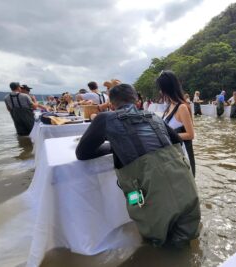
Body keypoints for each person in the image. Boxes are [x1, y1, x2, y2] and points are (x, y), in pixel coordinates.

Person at [76, 83, 200, 247]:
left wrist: (115, 146)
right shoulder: (153, 116)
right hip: (185, 185)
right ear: (136, 100)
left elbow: (82, 153)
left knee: (156, 239)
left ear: (111, 104)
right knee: (185, 239)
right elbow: (176, 141)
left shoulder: (105, 119)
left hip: (149, 191)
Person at [157, 70, 196, 177]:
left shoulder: (182, 107)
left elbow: (191, 134)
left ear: (166, 89)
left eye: (161, 88)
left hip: (183, 158)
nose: (160, 91)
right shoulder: (169, 106)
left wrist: (166, 135)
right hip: (173, 158)